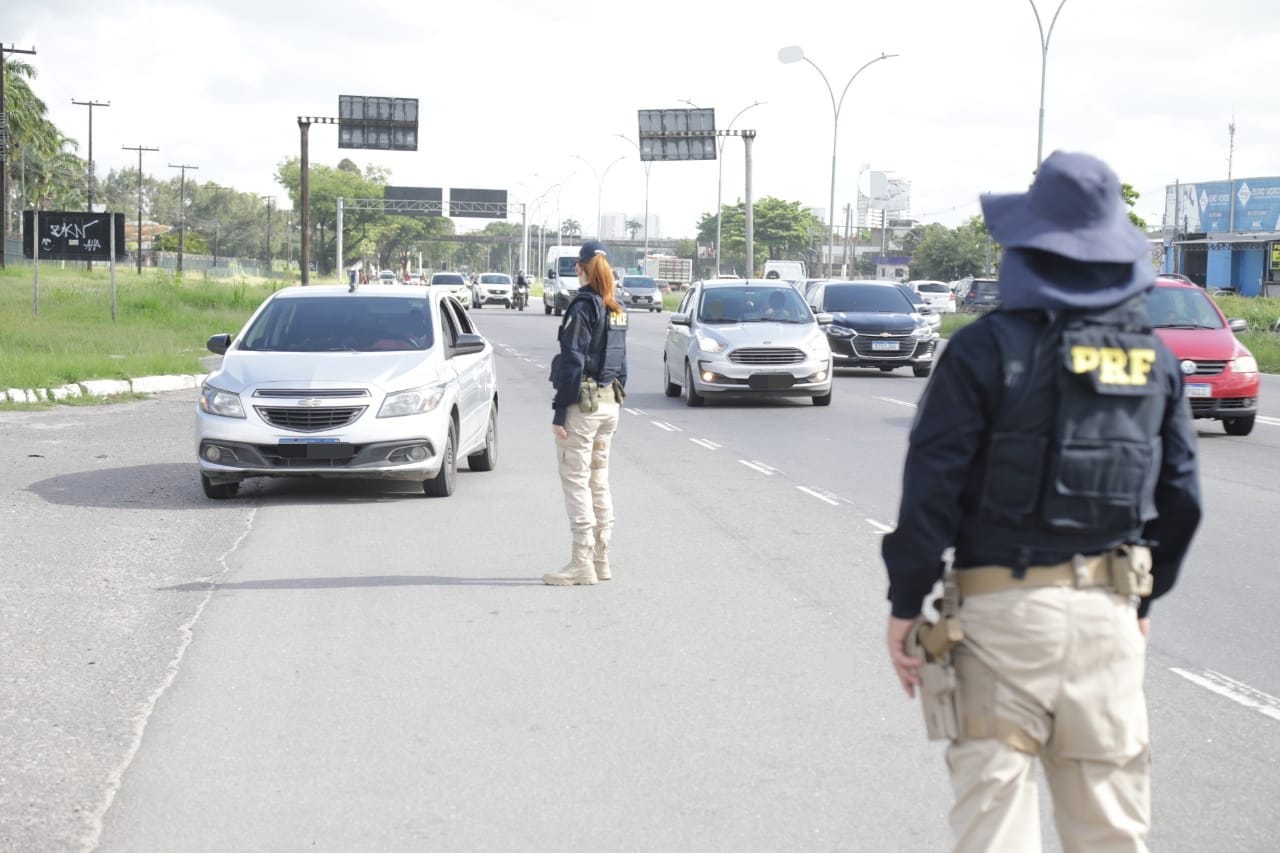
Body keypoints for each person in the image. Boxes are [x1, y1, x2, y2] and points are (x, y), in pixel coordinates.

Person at [882, 151, 1202, 850]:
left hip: (1000, 622)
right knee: (1112, 833)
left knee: (994, 831)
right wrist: (1140, 602)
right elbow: (1182, 500)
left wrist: (905, 607)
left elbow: (930, 494)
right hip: (1109, 621)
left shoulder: (981, 350)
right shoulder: (1156, 361)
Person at [545, 240, 628, 586]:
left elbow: (573, 359)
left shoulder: (582, 306)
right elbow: (622, 361)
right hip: (610, 404)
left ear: (579, 268)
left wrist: (560, 410)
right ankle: (601, 559)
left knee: (577, 482)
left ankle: (581, 562)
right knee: (598, 481)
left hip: (584, 406)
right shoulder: (616, 307)